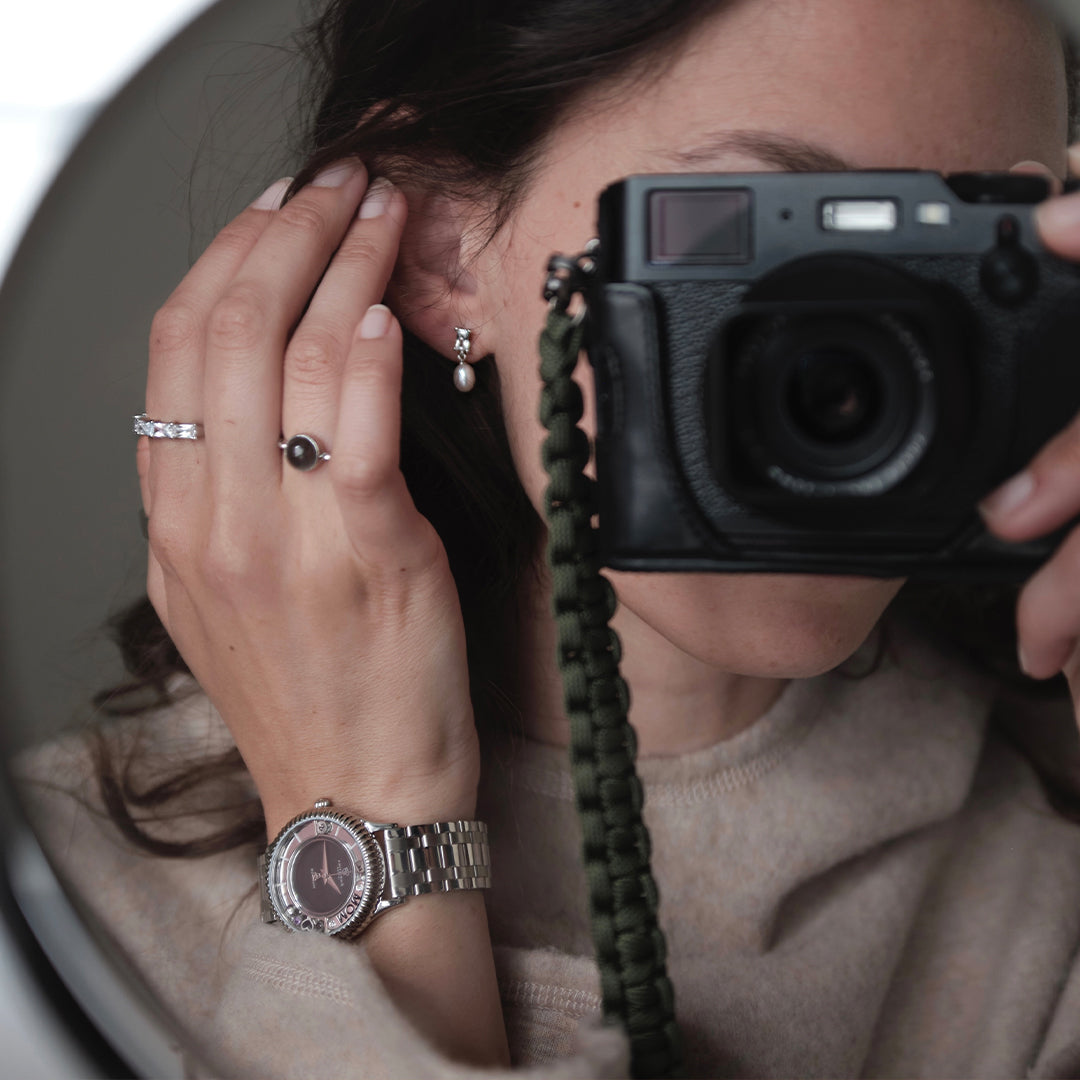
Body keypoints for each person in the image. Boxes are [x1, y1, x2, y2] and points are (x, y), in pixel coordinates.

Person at [15, 0, 1080, 1075]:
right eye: (770, 227)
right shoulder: (65, 898)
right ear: (443, 252)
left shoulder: (1053, 871)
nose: (890, 348)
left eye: (973, 241)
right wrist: (368, 827)